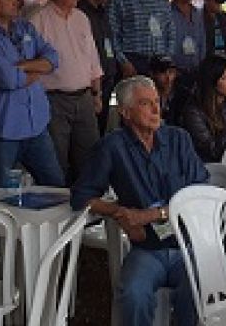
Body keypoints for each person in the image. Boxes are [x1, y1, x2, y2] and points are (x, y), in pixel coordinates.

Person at [70, 76, 209, 326]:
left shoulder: (179, 139)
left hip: (186, 244)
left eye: (157, 102)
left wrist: (151, 215)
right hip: (147, 248)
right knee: (133, 295)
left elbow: (201, 194)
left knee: (198, 289)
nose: (157, 109)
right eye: (146, 104)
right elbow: (81, 197)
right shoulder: (112, 147)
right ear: (125, 112)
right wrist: (118, 212)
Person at [0, 0, 64, 189]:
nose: (17, 2)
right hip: (4, 132)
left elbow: (53, 58)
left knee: (56, 189)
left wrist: (22, 66)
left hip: (37, 126)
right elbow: (7, 80)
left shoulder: (24, 27)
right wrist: (37, 70)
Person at [28, 0, 102, 183]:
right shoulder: (38, 20)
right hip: (53, 100)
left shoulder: (82, 18)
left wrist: (96, 93)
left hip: (84, 97)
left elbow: (92, 58)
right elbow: (30, 63)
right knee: (57, 161)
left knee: (91, 160)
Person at [108, 0, 175, 78]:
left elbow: (170, 27)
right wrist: (123, 62)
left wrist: (168, 56)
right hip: (133, 60)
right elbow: (112, 33)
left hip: (159, 60)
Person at [78, 0, 119, 135]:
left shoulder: (103, 11)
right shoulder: (80, 14)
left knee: (102, 125)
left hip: (107, 75)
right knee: (90, 131)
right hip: (92, 82)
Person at [167, 0, 206, 77]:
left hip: (196, 68)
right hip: (175, 70)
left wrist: (202, 64)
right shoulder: (167, 14)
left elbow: (202, 41)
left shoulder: (197, 14)